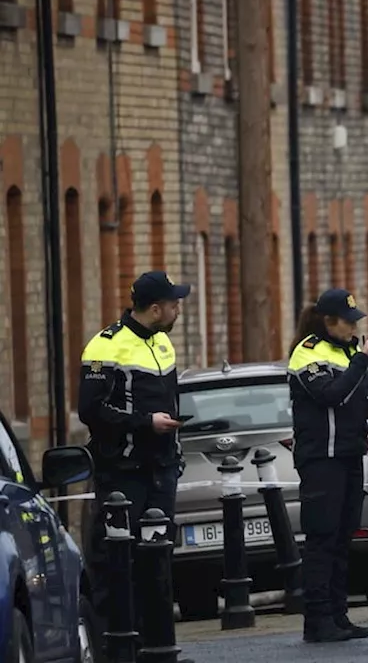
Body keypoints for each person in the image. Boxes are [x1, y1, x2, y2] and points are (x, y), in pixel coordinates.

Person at [79, 271, 191, 659]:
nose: (179, 309)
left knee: (157, 561)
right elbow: (90, 410)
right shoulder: (105, 346)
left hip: (161, 469)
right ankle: (120, 651)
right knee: (118, 564)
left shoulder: (163, 343)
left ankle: (160, 649)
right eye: (174, 304)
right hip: (123, 473)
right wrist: (146, 423)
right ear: (156, 308)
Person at [286, 288, 368, 643]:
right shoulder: (308, 353)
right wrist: (362, 361)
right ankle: (317, 620)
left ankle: (338, 615)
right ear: (328, 321)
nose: (353, 328)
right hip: (322, 460)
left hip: (349, 455)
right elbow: (330, 395)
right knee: (323, 540)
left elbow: (350, 397)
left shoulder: (347, 352)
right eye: (347, 322)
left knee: (344, 538)